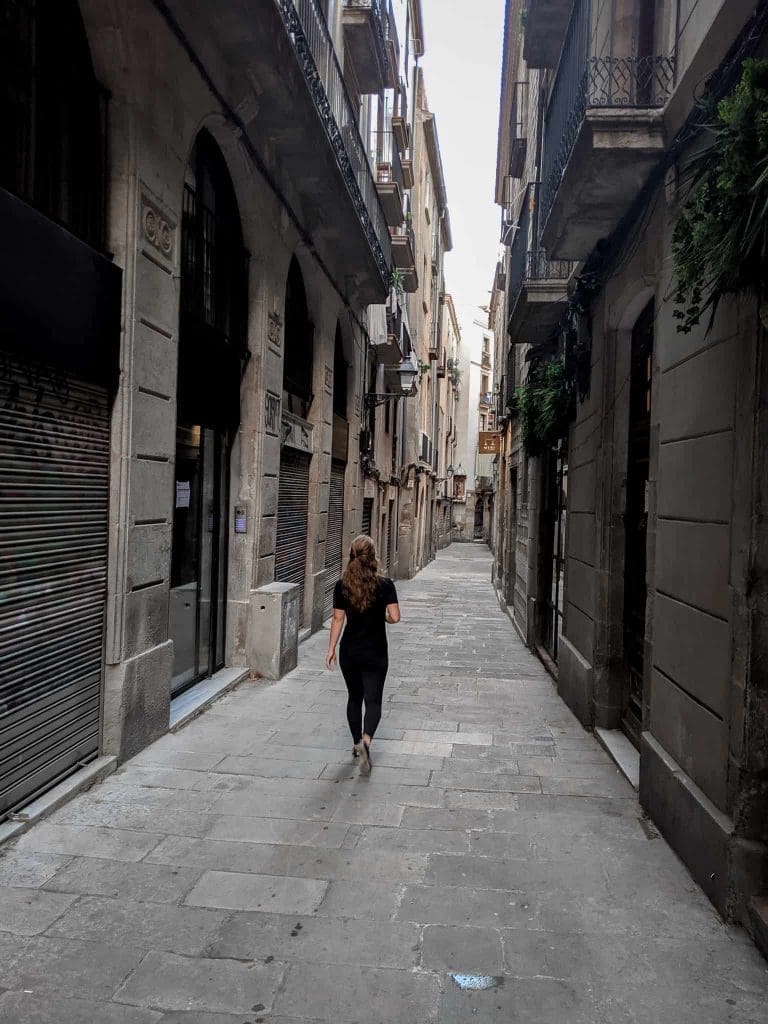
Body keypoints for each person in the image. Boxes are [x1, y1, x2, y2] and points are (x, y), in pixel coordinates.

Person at [326, 534, 401, 772]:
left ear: (352, 556)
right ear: (373, 557)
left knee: (354, 698)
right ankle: (367, 740)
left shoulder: (342, 585)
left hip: (350, 651)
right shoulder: (385, 585)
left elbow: (338, 619)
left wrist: (331, 649)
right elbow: (395, 617)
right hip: (376, 652)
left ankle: (356, 742)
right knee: (373, 700)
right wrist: (383, 617)